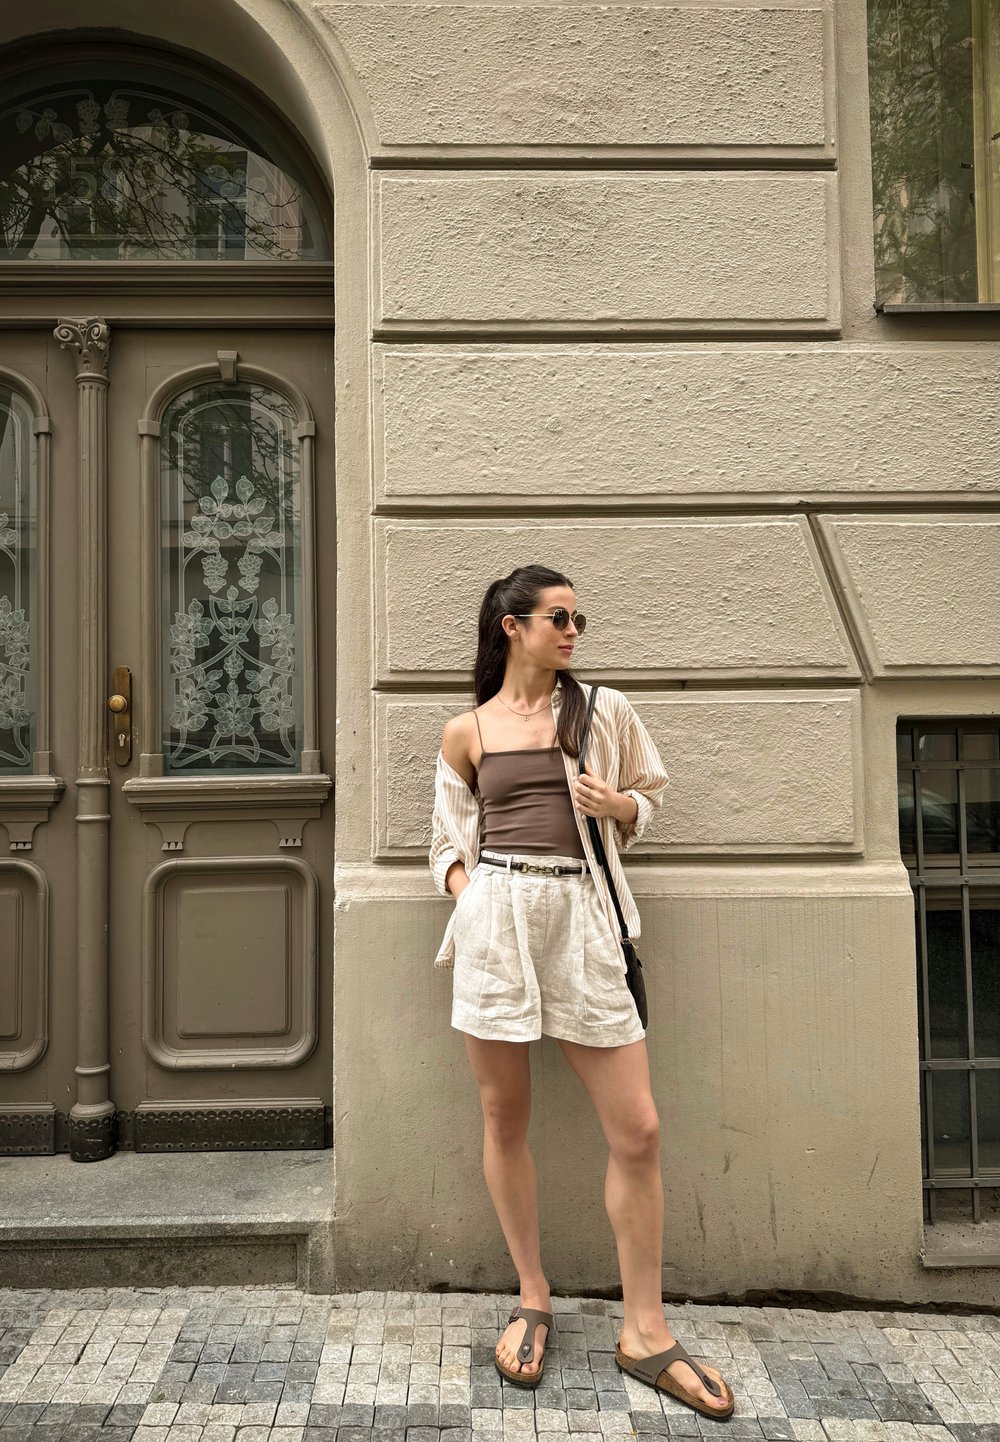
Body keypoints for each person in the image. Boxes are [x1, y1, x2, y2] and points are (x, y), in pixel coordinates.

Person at [428, 564, 734, 1420]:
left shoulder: (602, 711)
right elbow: (444, 840)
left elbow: (653, 795)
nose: (573, 631)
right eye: (558, 617)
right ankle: (533, 1295)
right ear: (510, 628)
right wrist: (470, 893)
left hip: (585, 921)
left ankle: (645, 1329)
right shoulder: (467, 732)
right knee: (504, 1118)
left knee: (637, 1129)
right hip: (500, 926)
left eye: (578, 619)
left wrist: (621, 805)